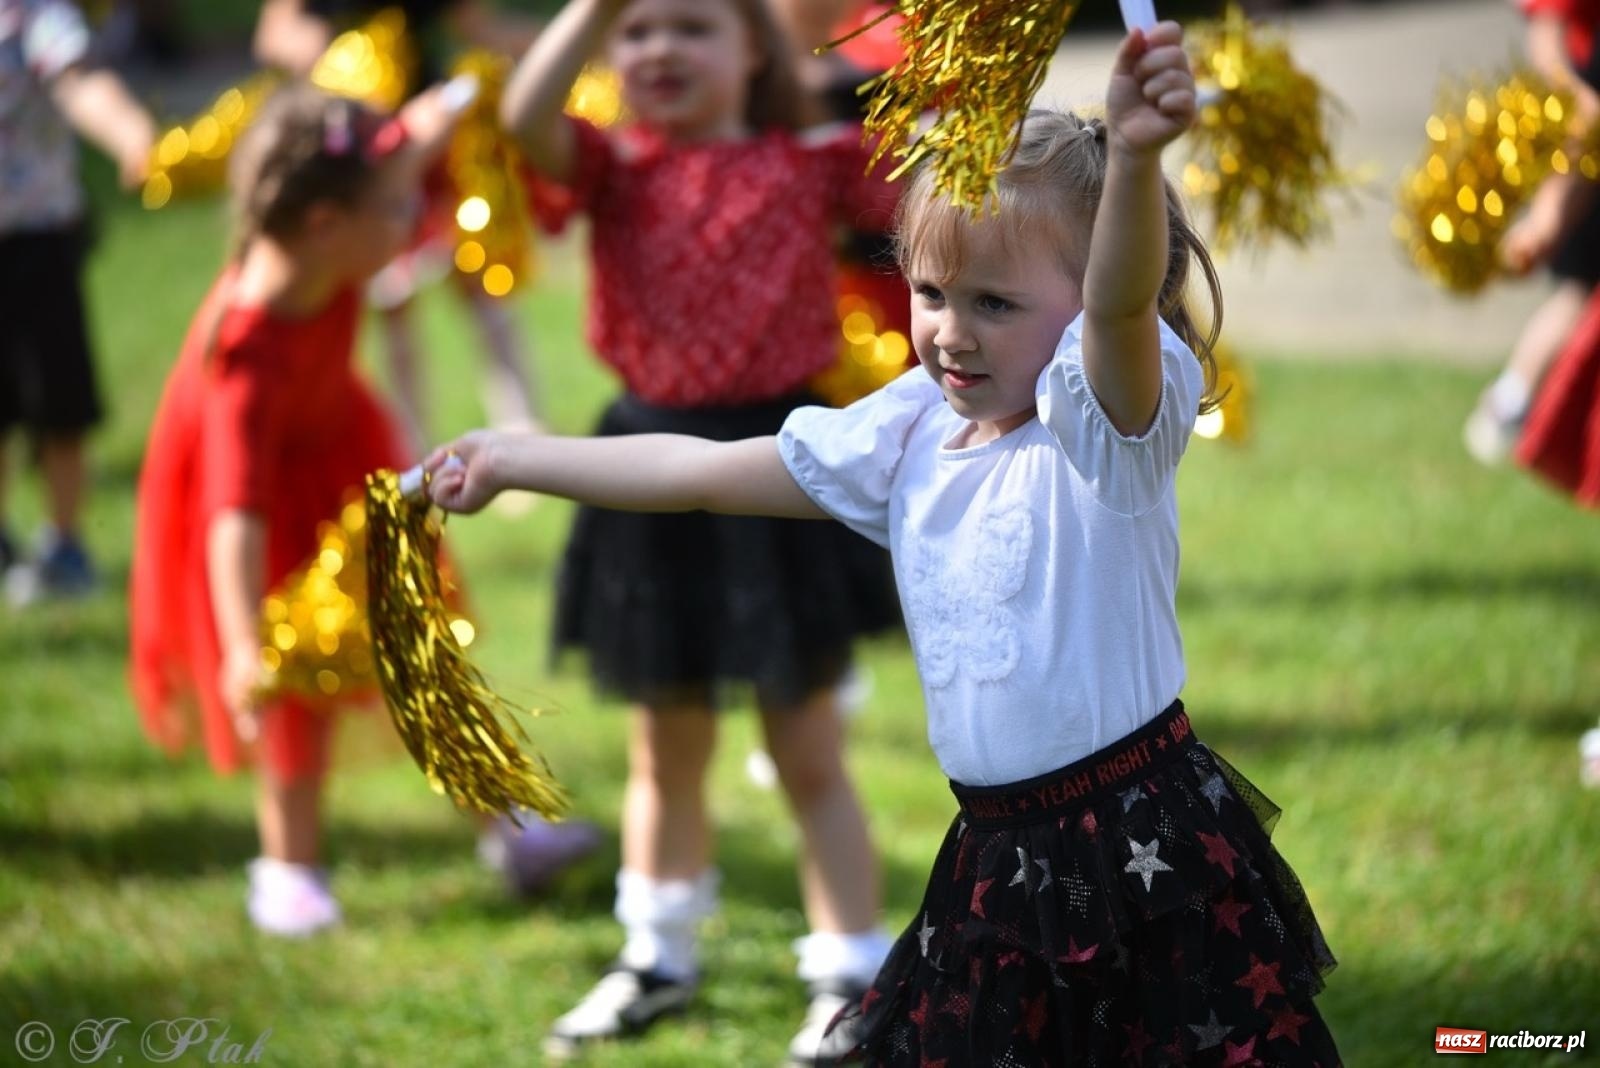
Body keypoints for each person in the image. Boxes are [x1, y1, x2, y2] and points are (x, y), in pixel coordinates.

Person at [431, 19, 1342, 1065]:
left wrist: (1134, 157)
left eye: (995, 303)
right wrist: (514, 457)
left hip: (1139, 847)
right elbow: (695, 472)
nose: (952, 329)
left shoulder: (1104, 431)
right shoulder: (907, 428)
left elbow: (1123, 304)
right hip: (992, 854)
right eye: (930, 292)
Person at [498, 0, 903, 1060]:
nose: (660, 49)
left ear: (753, 50)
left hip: (777, 470)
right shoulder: (607, 167)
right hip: (643, 473)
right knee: (663, 748)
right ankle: (657, 958)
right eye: (635, 31)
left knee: (807, 749)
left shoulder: (814, 161)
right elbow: (521, 109)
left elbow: (939, 187)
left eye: (692, 24)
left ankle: (852, 975)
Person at [127, 82, 487, 937]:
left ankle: (498, 824)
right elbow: (232, 511)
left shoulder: (329, 245)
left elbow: (399, 152)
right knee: (296, 695)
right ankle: (287, 869)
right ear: (327, 223)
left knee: (417, 640)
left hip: (340, 454)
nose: (412, 220)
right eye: (397, 207)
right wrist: (248, 645)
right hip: (264, 514)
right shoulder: (248, 351)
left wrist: (442, 112)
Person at [254, 0, 548, 453]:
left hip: (437, 144)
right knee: (392, 301)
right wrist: (320, 54)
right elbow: (274, 33)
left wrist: (567, 42)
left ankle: (523, 430)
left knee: (483, 283)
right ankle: (409, 447)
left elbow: (475, 26)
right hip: (362, 160)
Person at [0, 0, 155, 604]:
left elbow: (78, 79)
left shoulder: (31, 12)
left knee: (58, 401)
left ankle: (64, 545)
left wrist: (129, 135)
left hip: (38, 236)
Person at [1463, 0, 1600, 464]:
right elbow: (1547, 29)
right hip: (1586, 152)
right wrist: (1548, 218)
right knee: (1575, 294)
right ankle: (1509, 401)